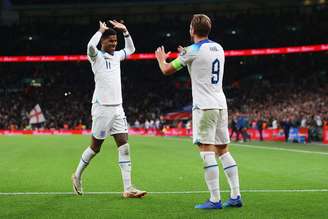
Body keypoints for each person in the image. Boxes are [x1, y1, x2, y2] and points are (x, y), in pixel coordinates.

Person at [155, 14, 242, 209]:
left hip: (204, 106)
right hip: (221, 104)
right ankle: (236, 196)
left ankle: (214, 199)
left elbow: (167, 70)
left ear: (192, 30)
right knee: (223, 150)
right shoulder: (218, 47)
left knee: (206, 151)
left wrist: (161, 59)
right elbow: (202, 65)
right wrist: (186, 55)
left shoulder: (192, 51)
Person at [72, 20, 146, 198]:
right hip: (102, 108)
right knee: (95, 147)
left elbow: (131, 50)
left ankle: (128, 188)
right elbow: (90, 45)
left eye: (115, 41)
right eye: (110, 41)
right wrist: (100, 31)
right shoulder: (95, 55)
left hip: (117, 107)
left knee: (124, 145)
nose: (114, 44)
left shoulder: (117, 56)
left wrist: (126, 31)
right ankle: (77, 175)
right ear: (103, 42)